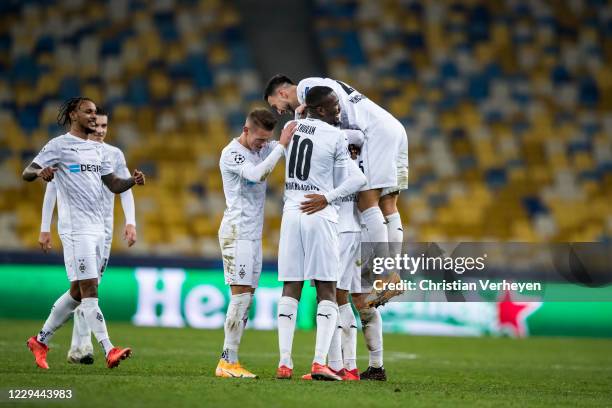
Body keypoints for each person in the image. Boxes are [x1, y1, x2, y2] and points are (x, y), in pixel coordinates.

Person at [263, 75, 409, 307]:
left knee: (367, 201)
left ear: (282, 93)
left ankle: (387, 275)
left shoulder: (308, 87)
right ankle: (392, 273)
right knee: (388, 205)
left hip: (376, 134)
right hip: (393, 129)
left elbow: (341, 117)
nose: (279, 112)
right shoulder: (314, 88)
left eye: (275, 106)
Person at [23, 97, 145, 370]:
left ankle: (40, 340)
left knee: (77, 292)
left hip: (98, 229)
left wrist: (132, 182)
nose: (93, 117)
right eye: (88, 112)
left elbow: (113, 184)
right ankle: (108, 349)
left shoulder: (99, 151)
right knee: (91, 289)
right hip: (76, 229)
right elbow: (26, 172)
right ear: (73, 114)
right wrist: (40, 172)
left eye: (95, 113)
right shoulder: (58, 146)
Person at [274, 86, 366, 381]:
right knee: (327, 289)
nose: (339, 108)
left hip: (291, 213)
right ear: (322, 110)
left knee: (291, 287)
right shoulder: (336, 136)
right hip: (320, 214)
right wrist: (329, 196)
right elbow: (358, 179)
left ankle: (284, 363)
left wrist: (301, 113)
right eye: (334, 104)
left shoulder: (291, 126)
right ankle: (318, 363)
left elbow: (301, 124)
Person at [216, 109, 297, 378]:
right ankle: (227, 361)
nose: (262, 145)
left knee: (246, 299)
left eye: (267, 140)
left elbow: (288, 143)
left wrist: (299, 116)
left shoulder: (263, 147)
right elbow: (256, 174)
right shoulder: (232, 153)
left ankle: (232, 360)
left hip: (252, 235)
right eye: (259, 140)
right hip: (236, 232)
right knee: (240, 298)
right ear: (246, 129)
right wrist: (280, 146)